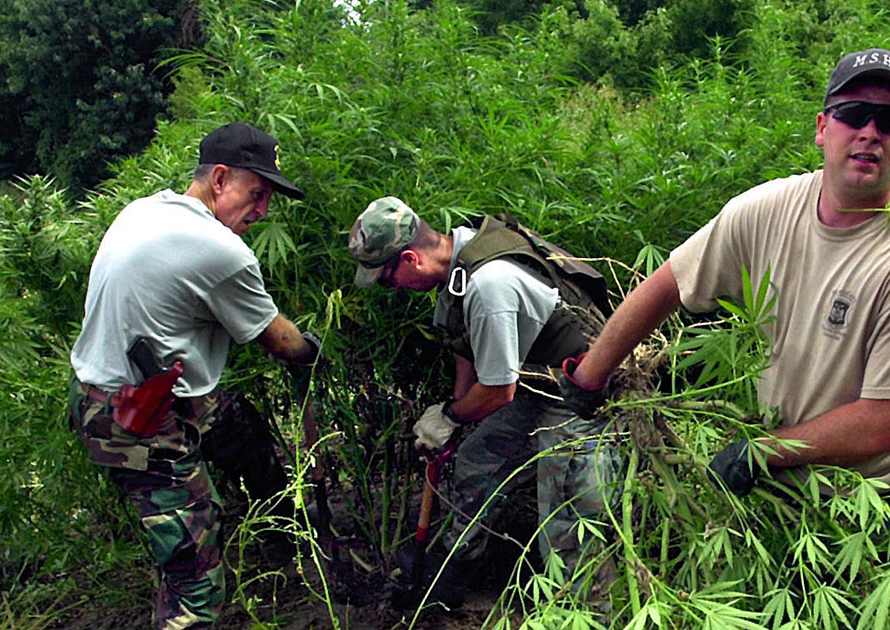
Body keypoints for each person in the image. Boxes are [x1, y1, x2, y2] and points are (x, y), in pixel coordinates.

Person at [559, 48, 890, 582]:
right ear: (823, 128)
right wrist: (591, 374)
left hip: (885, 514)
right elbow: (668, 284)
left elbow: (883, 424)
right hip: (787, 496)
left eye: (889, 121)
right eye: (852, 114)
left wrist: (760, 453)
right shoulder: (768, 209)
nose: (869, 132)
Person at [68, 122, 321, 629]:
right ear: (221, 179)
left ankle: (284, 537)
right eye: (258, 194)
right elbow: (280, 341)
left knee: (236, 425)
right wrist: (317, 352)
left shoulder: (145, 209)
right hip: (136, 424)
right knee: (196, 580)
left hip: (103, 393)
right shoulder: (220, 250)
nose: (263, 211)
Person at [348, 198, 615, 607]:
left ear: (409, 259)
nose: (393, 289)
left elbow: (496, 391)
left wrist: (450, 416)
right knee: (478, 458)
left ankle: (586, 607)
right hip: (537, 380)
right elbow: (466, 345)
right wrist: (453, 419)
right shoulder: (458, 263)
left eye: (387, 279)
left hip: (580, 392)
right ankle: (459, 563)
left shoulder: (489, 283)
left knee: (567, 518)